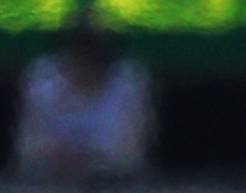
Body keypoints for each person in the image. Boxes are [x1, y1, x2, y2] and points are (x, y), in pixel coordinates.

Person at [13, 18, 154, 182]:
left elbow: (127, 156)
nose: (83, 64)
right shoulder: (43, 84)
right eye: (76, 54)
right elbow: (31, 150)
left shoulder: (126, 87)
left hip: (112, 189)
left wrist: (87, 159)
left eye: (90, 56)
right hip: (49, 187)